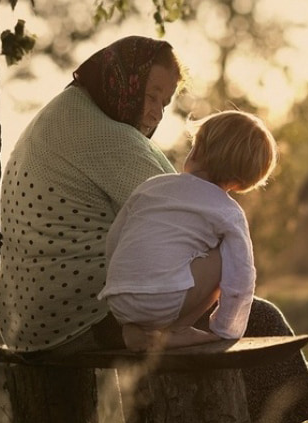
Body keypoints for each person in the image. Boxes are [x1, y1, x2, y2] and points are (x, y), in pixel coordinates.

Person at [0, 35, 308, 423]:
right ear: (122, 81)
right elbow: (193, 220)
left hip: (26, 315)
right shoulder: (109, 139)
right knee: (257, 318)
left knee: (174, 297)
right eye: (151, 95)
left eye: (165, 103)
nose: (155, 112)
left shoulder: (67, 113)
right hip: (76, 317)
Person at [98, 110, 277, 352]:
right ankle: (177, 330)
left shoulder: (151, 187)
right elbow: (241, 276)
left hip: (118, 299)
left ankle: (135, 330)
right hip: (164, 301)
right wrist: (227, 329)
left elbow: (114, 240)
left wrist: (120, 281)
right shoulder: (228, 211)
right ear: (241, 182)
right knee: (225, 257)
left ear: (197, 151)